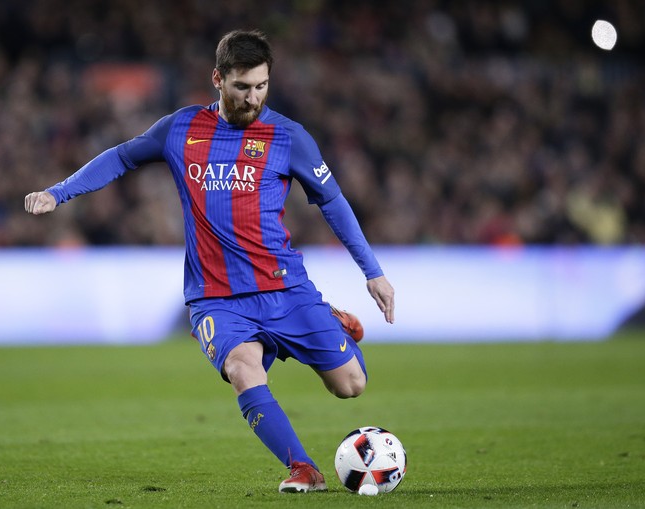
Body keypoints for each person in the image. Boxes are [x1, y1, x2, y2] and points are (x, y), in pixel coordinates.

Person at [25, 29, 395, 493]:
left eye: (261, 87)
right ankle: (304, 468)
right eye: (242, 88)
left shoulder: (288, 137)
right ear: (217, 79)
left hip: (283, 287)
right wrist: (58, 192)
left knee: (350, 387)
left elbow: (333, 203)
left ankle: (335, 324)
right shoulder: (180, 129)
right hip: (216, 298)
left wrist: (373, 272)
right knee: (243, 369)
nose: (252, 98)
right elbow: (120, 157)